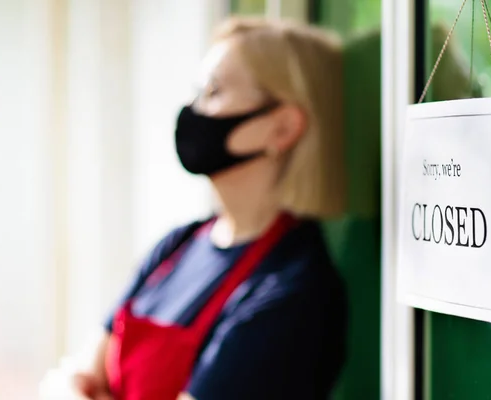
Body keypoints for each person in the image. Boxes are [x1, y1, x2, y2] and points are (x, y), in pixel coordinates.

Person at [67, 16, 348, 400]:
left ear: (282, 128)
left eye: (213, 92)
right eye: (197, 92)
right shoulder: (177, 245)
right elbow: (73, 376)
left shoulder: (291, 289)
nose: (193, 110)